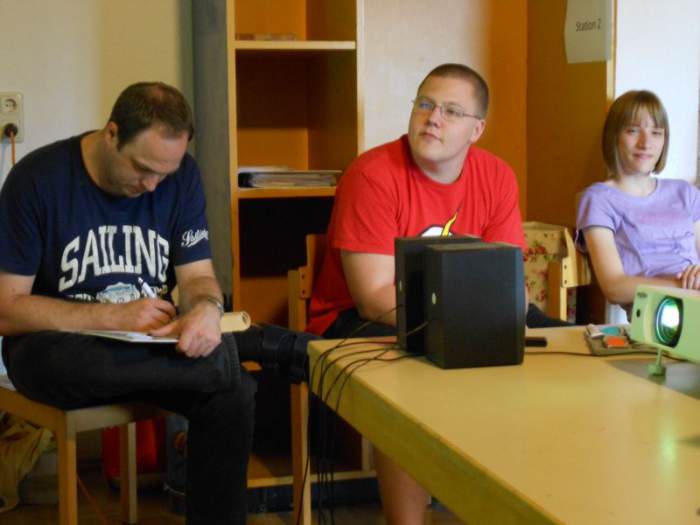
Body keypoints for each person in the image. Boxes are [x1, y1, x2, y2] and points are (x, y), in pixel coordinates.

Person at [0, 82, 310, 525]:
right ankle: (251, 344)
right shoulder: (37, 180)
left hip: (156, 345)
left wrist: (205, 310)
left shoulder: (180, 176)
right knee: (57, 360)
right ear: (112, 133)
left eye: (164, 174)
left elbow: (197, 278)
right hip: (65, 350)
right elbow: (7, 308)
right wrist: (111, 317)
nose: (151, 186)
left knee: (233, 392)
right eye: (143, 169)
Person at [307, 63, 531, 525]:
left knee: (547, 356)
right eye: (425, 104)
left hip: (457, 318)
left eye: (451, 111)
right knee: (410, 380)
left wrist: (500, 317)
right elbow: (373, 297)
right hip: (355, 322)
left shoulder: (497, 177)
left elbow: (508, 286)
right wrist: (468, 321)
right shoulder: (372, 174)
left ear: (477, 130)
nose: (433, 119)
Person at [576, 90, 700, 318]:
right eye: (633, 131)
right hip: (660, 317)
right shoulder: (598, 199)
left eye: (656, 133)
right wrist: (685, 287)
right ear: (614, 136)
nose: (646, 143)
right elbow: (614, 287)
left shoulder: (686, 193)